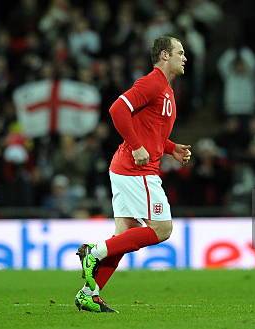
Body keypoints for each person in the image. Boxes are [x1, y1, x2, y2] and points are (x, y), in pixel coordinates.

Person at [74, 36, 191, 313]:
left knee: (124, 236)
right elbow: (117, 109)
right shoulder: (152, 82)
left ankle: (88, 294)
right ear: (164, 55)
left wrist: (171, 148)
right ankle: (95, 252)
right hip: (136, 168)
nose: (185, 58)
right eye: (180, 52)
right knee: (162, 229)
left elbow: (153, 132)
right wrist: (137, 147)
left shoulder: (166, 90)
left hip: (126, 167)